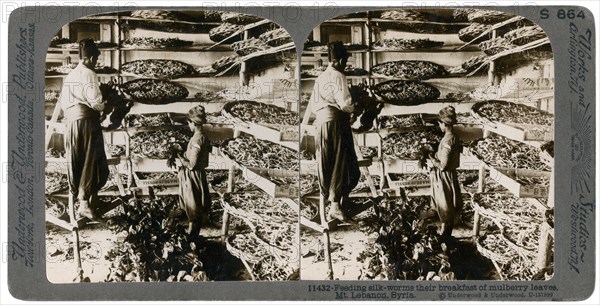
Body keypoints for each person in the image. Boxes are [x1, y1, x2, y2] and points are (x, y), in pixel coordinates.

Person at [309, 42, 360, 222]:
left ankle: (333, 204)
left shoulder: (320, 77)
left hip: (321, 124)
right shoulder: (338, 76)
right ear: (338, 61)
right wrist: (355, 108)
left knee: (327, 162)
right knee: (343, 162)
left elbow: (315, 106)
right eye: (345, 61)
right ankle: (336, 206)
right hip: (336, 123)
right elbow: (345, 104)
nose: (345, 65)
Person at [60, 39, 109, 220]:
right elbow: (95, 102)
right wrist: (105, 105)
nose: (96, 63)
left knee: (77, 160)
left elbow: (66, 104)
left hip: (72, 123)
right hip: (86, 122)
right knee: (91, 159)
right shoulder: (88, 73)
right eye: (95, 59)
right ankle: (84, 203)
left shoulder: (71, 75)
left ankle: (82, 201)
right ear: (88, 58)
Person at [427, 106, 463, 241]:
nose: (439, 126)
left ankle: (445, 238)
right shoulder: (453, 136)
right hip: (448, 175)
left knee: (445, 207)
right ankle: (444, 235)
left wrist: (430, 156)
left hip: (444, 177)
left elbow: (442, 165)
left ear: (444, 124)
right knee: (445, 206)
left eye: (440, 123)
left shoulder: (448, 140)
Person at [177, 105, 211, 240]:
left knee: (193, 207)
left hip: (192, 176)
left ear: (193, 123)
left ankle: (193, 238)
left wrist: (179, 156)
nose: (188, 126)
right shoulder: (202, 136)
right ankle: (192, 236)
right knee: (194, 207)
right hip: (197, 175)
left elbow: (191, 164)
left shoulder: (197, 139)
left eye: (189, 123)